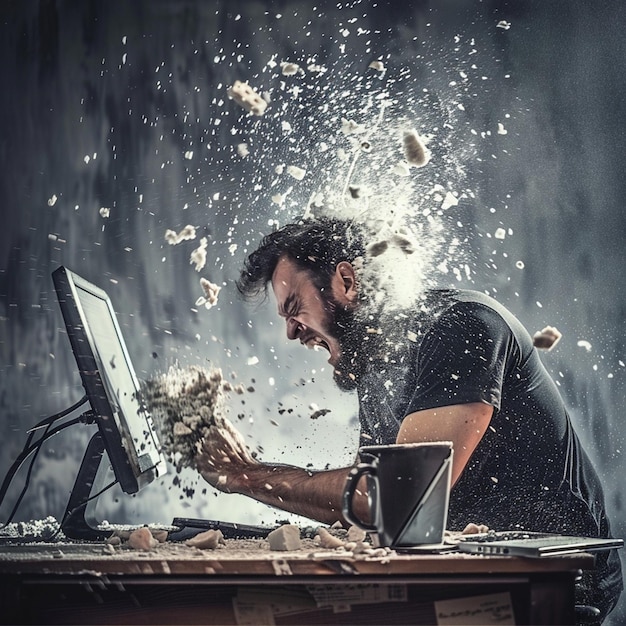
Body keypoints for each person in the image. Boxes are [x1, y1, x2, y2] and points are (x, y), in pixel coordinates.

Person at [196, 216, 622, 621]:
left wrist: (249, 476)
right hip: (474, 572)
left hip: (554, 584)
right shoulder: (378, 363)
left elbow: (397, 501)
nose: (291, 332)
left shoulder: (460, 327)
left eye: (294, 308)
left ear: (346, 280)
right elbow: (375, 514)